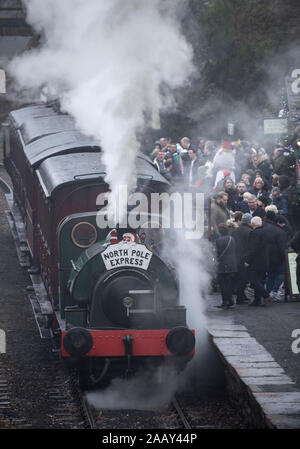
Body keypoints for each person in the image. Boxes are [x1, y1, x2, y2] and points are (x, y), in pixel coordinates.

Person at [244, 216, 272, 306]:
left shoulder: (254, 233)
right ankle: (257, 300)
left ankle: (266, 295)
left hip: (255, 261)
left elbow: (253, 248)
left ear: (252, 224)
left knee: (253, 280)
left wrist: (247, 260)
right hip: (265, 259)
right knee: (259, 280)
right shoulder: (266, 231)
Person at [263, 210, 288, 301]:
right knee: (280, 274)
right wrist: (284, 257)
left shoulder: (264, 228)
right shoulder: (280, 232)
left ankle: (268, 293)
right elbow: (282, 247)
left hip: (266, 256)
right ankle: (274, 291)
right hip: (277, 257)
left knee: (270, 275)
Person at [232, 213, 253, 303]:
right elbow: (251, 246)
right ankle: (240, 297)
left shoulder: (236, 230)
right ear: (249, 221)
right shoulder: (250, 231)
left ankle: (241, 296)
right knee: (243, 279)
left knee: (239, 278)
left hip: (236, 256)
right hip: (245, 258)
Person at [215, 223, 237, 308]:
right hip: (232, 264)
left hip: (223, 265)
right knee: (229, 284)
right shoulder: (232, 239)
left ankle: (225, 301)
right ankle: (230, 299)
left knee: (223, 284)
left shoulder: (218, 240)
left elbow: (216, 253)